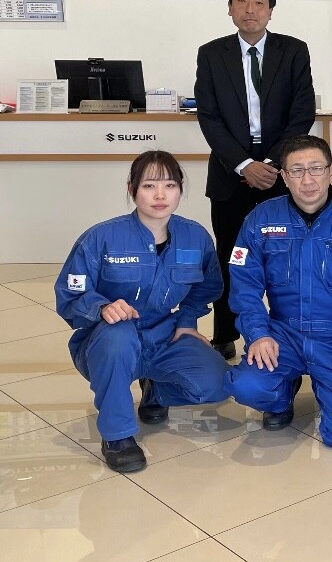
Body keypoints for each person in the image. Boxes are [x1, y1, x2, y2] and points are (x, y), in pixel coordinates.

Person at [54, 151, 227, 473]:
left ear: (180, 189)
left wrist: (187, 321)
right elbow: (70, 291)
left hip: (164, 332)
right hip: (108, 338)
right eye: (149, 186)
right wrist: (102, 306)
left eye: (170, 185)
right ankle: (117, 435)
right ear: (132, 189)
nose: (160, 195)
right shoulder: (102, 237)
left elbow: (208, 286)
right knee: (118, 341)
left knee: (218, 382)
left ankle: (155, 387)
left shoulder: (195, 236)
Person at [224, 135, 332, 447]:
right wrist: (258, 334)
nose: (308, 180)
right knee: (246, 386)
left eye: (316, 169)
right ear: (284, 177)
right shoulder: (260, 219)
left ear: (331, 171)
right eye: (297, 171)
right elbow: (244, 285)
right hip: (283, 335)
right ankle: (280, 395)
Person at [194, 0, 316, 360]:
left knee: (288, 256)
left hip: (282, 171)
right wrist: (244, 164)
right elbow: (209, 117)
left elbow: (302, 113)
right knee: (231, 256)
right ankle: (225, 332)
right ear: (230, 8)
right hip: (231, 172)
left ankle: (288, 331)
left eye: (259, 2)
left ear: (271, 9)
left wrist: (272, 162)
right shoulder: (211, 54)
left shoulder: (293, 51)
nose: (250, 9)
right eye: (242, 1)